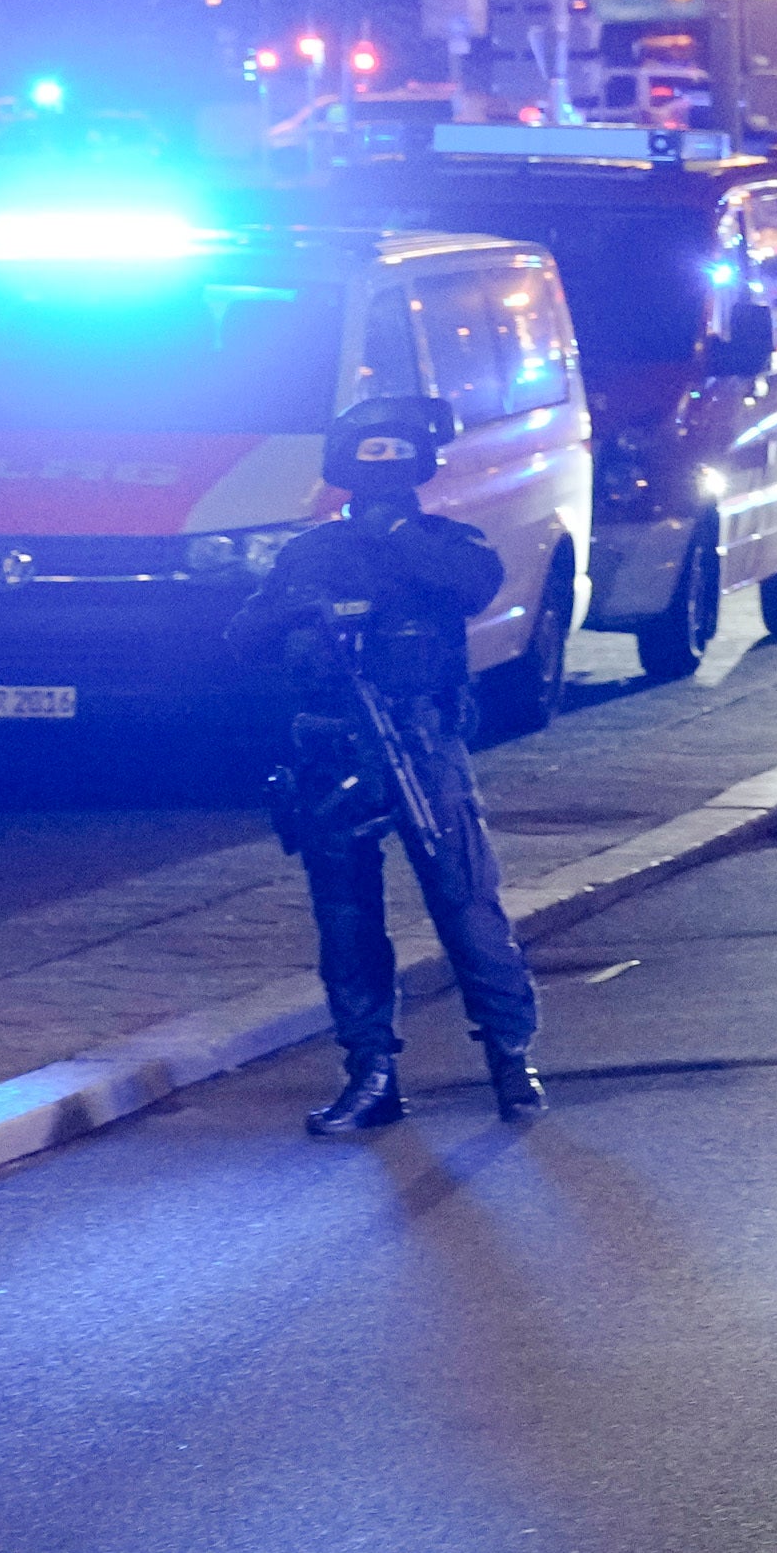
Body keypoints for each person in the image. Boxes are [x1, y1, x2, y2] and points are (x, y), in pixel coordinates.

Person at [245, 394, 545, 1133]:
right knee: (346, 921)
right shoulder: (311, 550)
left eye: (395, 455)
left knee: (465, 901)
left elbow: (475, 586)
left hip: (420, 746)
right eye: (369, 455)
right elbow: (244, 632)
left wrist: (398, 540)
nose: (382, 470)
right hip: (332, 748)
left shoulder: (449, 541)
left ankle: (511, 1060)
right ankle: (370, 1070)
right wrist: (298, 609)